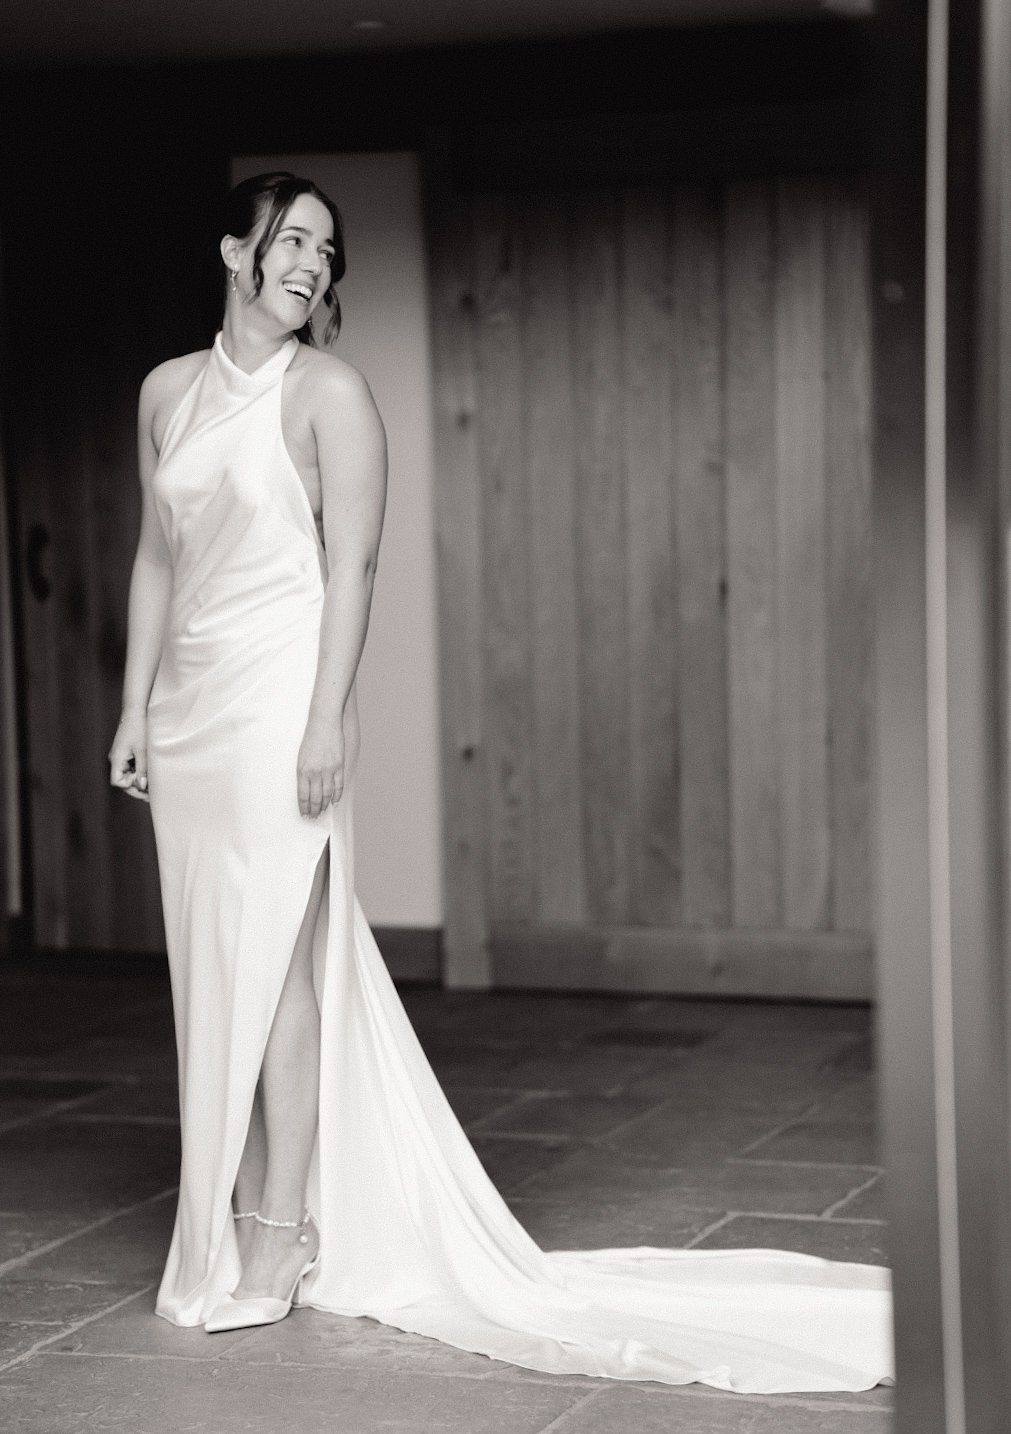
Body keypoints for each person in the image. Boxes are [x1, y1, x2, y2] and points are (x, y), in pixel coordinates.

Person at [108, 171, 894, 1393]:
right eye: (293, 240)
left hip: (277, 707)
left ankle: (275, 1235)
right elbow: (157, 556)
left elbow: (353, 570)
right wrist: (132, 707)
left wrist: (329, 720)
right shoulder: (166, 391)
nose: (314, 262)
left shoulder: (332, 394)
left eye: (329, 247)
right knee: (216, 969)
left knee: (282, 971)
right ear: (234, 251)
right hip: (189, 712)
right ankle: (233, 1221)